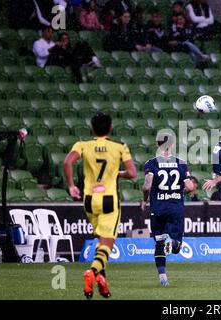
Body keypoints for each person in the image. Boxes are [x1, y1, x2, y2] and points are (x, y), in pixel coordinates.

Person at [63, 112, 137, 299]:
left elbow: (67, 162)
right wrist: (117, 174)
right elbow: (133, 173)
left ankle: (102, 282)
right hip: (109, 200)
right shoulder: (119, 147)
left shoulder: (82, 145)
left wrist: (71, 186)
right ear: (111, 128)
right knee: (107, 244)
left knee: (100, 242)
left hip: (89, 200)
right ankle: (93, 272)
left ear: (92, 128)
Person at [141, 133, 195, 286]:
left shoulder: (151, 163)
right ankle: (171, 241)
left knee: (158, 244)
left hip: (157, 208)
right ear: (171, 145)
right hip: (175, 208)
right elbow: (190, 186)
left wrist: (144, 200)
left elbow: (147, 185)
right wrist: (178, 192)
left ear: (157, 144)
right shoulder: (181, 163)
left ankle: (163, 277)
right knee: (176, 247)